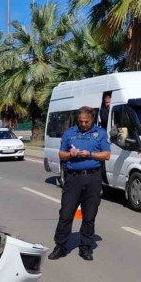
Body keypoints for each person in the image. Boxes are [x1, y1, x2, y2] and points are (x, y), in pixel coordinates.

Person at [49, 106, 111, 261]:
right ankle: (60, 247)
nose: (83, 124)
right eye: (81, 121)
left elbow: (107, 154)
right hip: (73, 179)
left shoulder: (100, 133)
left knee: (89, 215)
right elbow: (61, 155)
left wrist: (89, 154)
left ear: (92, 119)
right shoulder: (70, 133)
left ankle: (85, 247)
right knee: (66, 214)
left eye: (86, 122)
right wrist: (71, 154)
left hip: (93, 179)